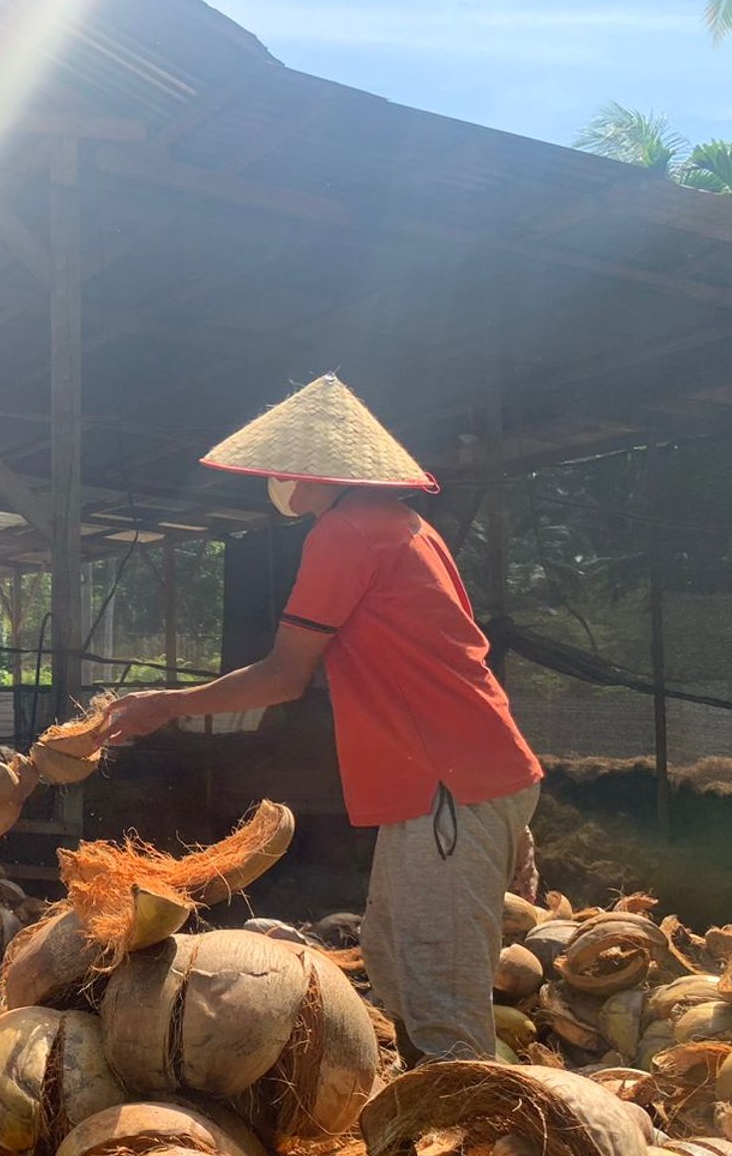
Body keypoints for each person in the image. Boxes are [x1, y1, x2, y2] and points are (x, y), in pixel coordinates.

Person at [95, 374, 542, 1064]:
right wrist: (508, 808)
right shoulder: (408, 526)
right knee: (394, 960)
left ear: (308, 473)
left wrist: (167, 706)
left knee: (440, 999)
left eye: (279, 470)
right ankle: (431, 1116)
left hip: (449, 786)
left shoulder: (346, 533)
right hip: (468, 779)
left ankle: (465, 1146)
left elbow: (284, 674)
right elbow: (459, 662)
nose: (273, 483)